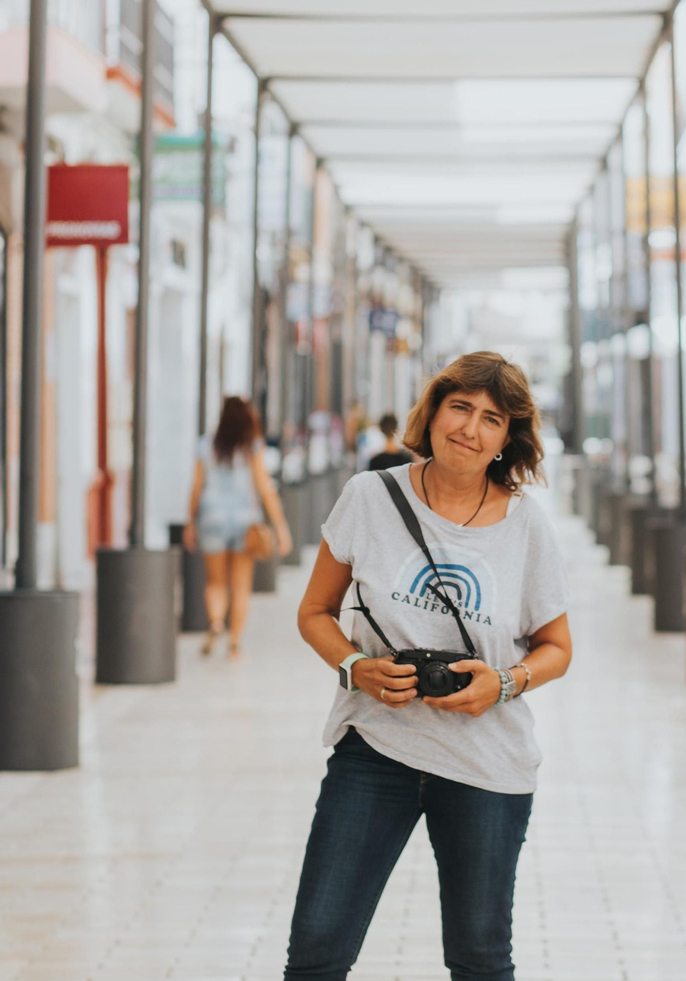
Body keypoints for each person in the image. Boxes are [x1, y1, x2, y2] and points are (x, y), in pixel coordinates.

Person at [287, 352, 573, 980]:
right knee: (316, 951)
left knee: (479, 960)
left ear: (508, 438)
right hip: (375, 749)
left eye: (491, 419)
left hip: (486, 764)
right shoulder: (370, 496)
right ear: (434, 411)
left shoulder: (525, 526)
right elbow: (314, 612)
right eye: (460, 408)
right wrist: (355, 666)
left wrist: (503, 683)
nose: (470, 429)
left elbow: (557, 648)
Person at [183, 397, 292, 658]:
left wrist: (190, 522)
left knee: (215, 581)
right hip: (245, 521)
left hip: (212, 518)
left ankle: (216, 621)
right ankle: (234, 643)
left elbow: (197, 488)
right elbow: (265, 488)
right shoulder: (252, 446)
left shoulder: (205, 445)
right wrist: (280, 527)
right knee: (241, 585)